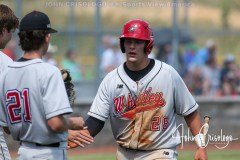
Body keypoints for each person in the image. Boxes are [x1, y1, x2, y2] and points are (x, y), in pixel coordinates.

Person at [70, 19, 208, 160]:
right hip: (124, 154)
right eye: (128, 41)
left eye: (137, 42)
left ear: (148, 45)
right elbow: (95, 121)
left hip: (160, 152)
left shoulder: (167, 74)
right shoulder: (111, 80)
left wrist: (201, 147)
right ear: (122, 45)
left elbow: (190, 112)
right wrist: (74, 136)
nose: (132, 46)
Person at [0, 11, 93, 160]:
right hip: (48, 154)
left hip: (23, 152)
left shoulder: (6, 74)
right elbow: (55, 124)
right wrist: (73, 122)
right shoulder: (50, 72)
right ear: (47, 37)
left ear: (21, 38)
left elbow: (7, 128)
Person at [0, 4, 19, 160]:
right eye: (11, 31)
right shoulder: (5, 62)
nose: (11, 36)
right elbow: (9, 126)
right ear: (4, 29)